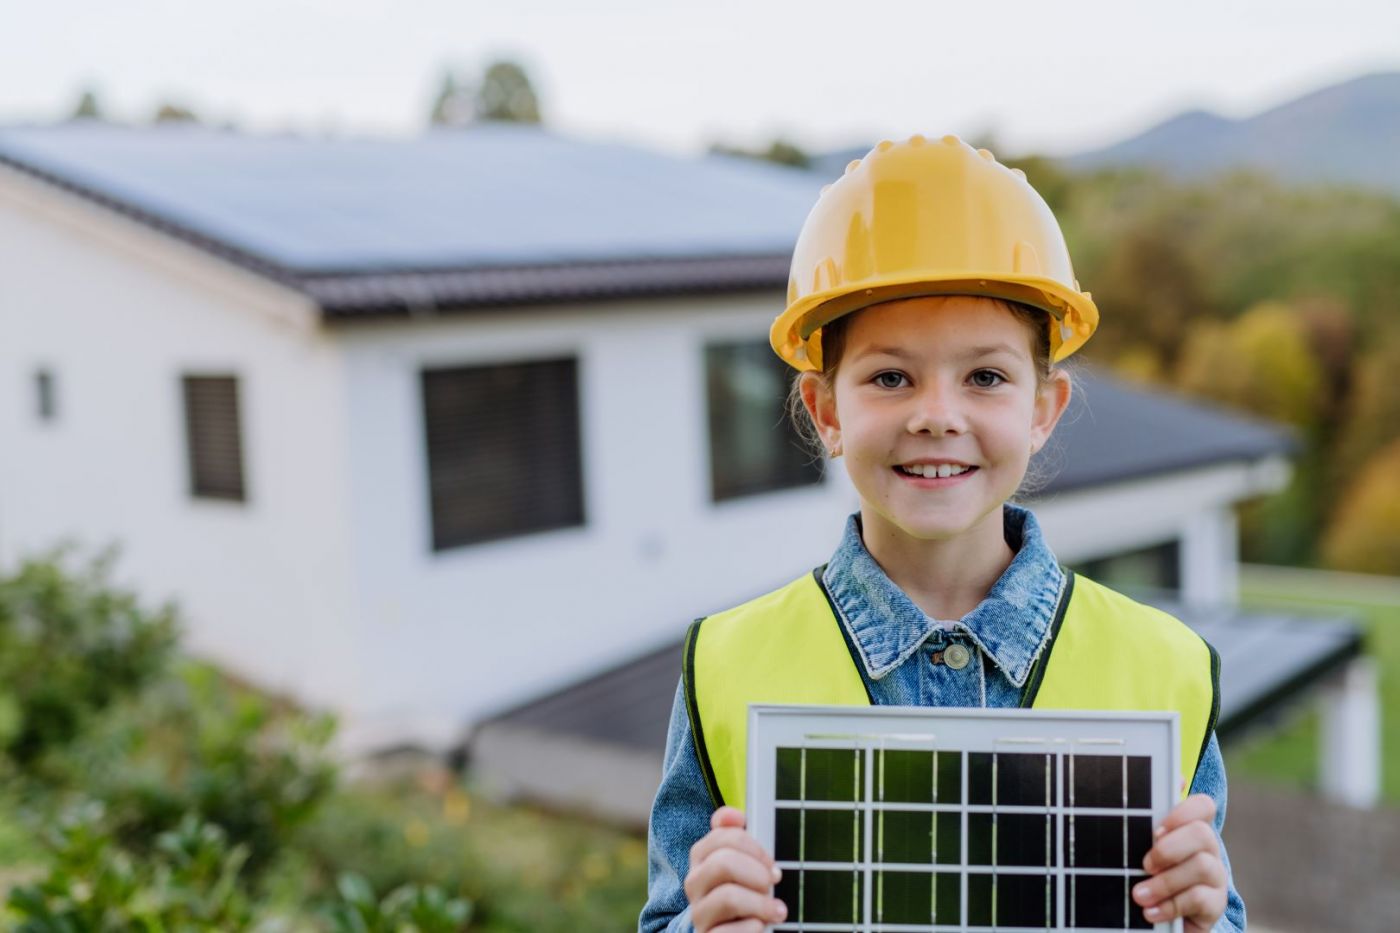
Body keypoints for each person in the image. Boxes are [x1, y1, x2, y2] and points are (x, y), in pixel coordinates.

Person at [639, 134, 1246, 932]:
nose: (936, 415)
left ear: (1042, 409)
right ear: (826, 411)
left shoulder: (1168, 669)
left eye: (985, 376)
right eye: (890, 376)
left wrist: (1202, 922)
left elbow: (1204, 911)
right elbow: (668, 916)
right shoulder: (722, 665)